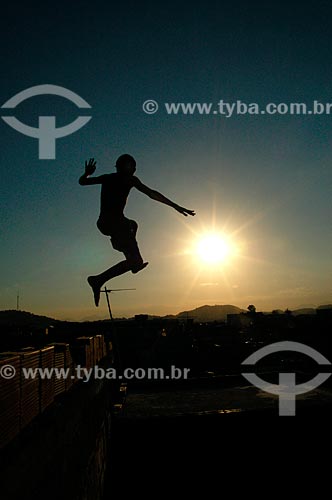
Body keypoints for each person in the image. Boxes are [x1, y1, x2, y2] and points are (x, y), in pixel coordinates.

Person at [79, 154, 195, 306]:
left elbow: (83, 182)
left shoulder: (114, 178)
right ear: (125, 168)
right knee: (131, 237)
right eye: (131, 167)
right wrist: (176, 206)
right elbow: (151, 193)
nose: (133, 171)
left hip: (108, 224)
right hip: (114, 223)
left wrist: (87, 174)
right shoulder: (122, 179)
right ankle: (114, 265)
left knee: (133, 225)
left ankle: (115, 267)